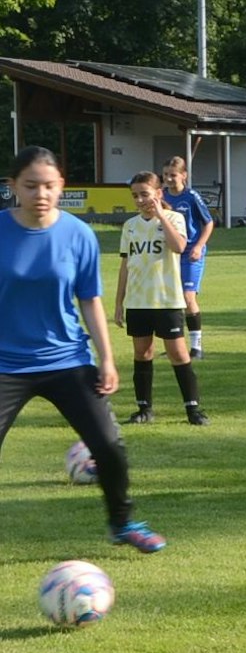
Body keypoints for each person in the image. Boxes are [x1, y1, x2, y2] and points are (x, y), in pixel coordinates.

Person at [0, 147, 165, 553]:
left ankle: (122, 523)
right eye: (31, 185)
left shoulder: (78, 234)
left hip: (66, 361)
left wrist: (106, 359)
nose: (41, 194)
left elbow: (89, 300)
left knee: (108, 445)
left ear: (61, 188)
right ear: (12, 187)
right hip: (6, 364)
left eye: (49, 186)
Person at [115, 171, 206, 425]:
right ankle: (144, 409)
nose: (140, 200)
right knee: (142, 354)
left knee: (178, 353)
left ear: (158, 193)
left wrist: (160, 216)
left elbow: (178, 247)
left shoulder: (174, 218)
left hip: (166, 300)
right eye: (135, 196)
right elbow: (125, 265)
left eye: (145, 194)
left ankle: (193, 409)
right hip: (137, 301)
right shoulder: (130, 226)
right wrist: (119, 302)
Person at [161, 156, 214, 358]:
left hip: (191, 253)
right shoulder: (162, 197)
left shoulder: (191, 196)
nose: (169, 179)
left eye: (173, 175)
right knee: (172, 298)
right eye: (166, 175)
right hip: (171, 253)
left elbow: (208, 223)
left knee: (188, 297)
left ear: (184, 175)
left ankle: (197, 346)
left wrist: (199, 246)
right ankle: (177, 346)